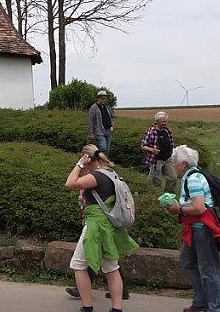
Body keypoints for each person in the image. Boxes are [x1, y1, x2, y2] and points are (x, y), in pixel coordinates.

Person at [64, 144, 138, 312]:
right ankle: (116, 308)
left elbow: (70, 183)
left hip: (96, 225)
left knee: (78, 265)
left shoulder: (96, 176)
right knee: (112, 268)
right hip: (109, 225)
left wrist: (78, 165)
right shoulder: (111, 174)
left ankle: (87, 307)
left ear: (89, 159)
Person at [167, 145, 220, 312]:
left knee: (208, 269)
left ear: (184, 163)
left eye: (175, 162)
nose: (173, 166)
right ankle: (201, 301)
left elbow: (199, 208)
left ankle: (216, 307)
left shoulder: (193, 179)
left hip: (202, 229)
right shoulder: (193, 177)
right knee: (188, 262)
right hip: (195, 228)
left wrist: (179, 209)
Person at [141, 111, 177, 193]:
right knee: (157, 181)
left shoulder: (167, 131)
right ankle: (157, 197)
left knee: (173, 177)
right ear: (157, 121)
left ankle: (168, 195)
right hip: (156, 160)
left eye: (165, 121)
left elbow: (171, 143)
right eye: (163, 122)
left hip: (168, 158)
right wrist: (152, 150)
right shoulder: (151, 132)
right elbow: (143, 146)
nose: (165, 123)